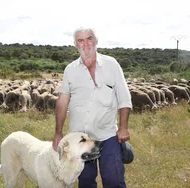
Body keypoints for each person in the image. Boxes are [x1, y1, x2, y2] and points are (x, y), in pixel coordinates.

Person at [52, 27, 132, 188]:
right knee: (86, 181)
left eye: (89, 38)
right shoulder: (70, 70)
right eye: (80, 40)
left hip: (107, 135)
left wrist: (123, 127)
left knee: (113, 179)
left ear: (96, 41)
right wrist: (58, 133)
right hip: (80, 138)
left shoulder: (111, 65)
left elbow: (124, 98)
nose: (86, 43)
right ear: (75, 44)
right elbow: (62, 102)